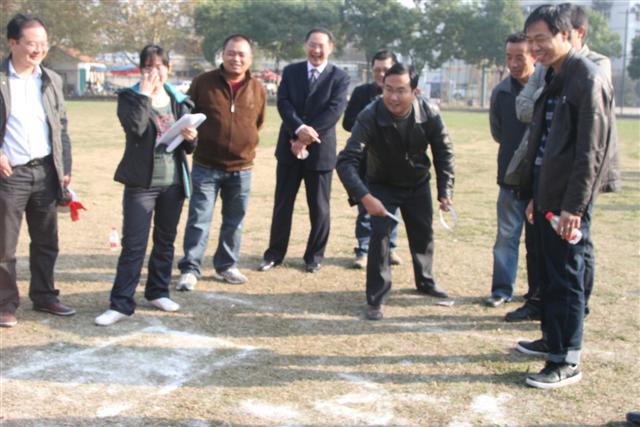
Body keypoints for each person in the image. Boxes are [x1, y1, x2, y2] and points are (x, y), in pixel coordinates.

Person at [515, 4, 618, 388]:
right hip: (547, 195)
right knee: (549, 274)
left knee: (567, 277)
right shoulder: (555, 75)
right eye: (531, 40)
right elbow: (543, 143)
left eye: (541, 38)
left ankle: (567, 358)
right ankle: (551, 340)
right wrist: (534, 196)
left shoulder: (587, 78)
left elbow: (590, 151)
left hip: (568, 202)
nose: (535, 47)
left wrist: (574, 207)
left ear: (566, 35)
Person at [336, 63, 455, 321]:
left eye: (401, 90)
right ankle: (376, 298)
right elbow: (346, 161)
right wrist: (365, 197)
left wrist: (445, 190)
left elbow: (443, 151)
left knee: (423, 234)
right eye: (388, 89)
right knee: (380, 238)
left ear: (415, 92)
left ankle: (425, 281)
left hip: (418, 182)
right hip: (382, 184)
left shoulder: (429, 112)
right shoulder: (369, 115)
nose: (392, 97)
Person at [94, 45, 198, 326]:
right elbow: (136, 129)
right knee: (134, 244)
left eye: (160, 66)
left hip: (173, 182)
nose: (155, 72)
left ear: (169, 68)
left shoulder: (179, 100)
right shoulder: (130, 97)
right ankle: (121, 303)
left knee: (165, 241)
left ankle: (158, 291)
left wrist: (191, 136)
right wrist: (144, 94)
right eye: (149, 67)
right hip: (142, 183)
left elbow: (189, 148)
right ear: (141, 70)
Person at [0, 14, 75, 328]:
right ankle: (5, 304)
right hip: (9, 176)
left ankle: (44, 296)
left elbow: (61, 126)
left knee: (46, 241)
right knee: (4, 245)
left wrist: (65, 167)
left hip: (46, 172)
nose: (38, 50)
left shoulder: (51, 79)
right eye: (31, 43)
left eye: (43, 43)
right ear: (13, 43)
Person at [176, 35, 266, 290]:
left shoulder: (257, 88)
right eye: (231, 53)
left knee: (234, 221)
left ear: (250, 59)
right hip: (206, 165)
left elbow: (258, 122)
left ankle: (226, 265)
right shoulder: (203, 82)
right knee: (199, 219)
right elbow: (188, 115)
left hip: (242, 168)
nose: (236, 58)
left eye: (242, 54)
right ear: (222, 55)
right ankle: (191, 268)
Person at [259, 28, 349, 273]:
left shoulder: (339, 77)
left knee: (319, 207)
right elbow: (284, 103)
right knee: (282, 204)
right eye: (312, 44)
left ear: (330, 48)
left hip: (321, 151)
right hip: (289, 147)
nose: (316, 50)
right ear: (305, 45)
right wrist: (298, 130)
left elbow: (334, 111)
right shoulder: (291, 71)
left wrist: (307, 137)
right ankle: (274, 254)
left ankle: (314, 256)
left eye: (321, 46)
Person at [484, 33, 538, 309]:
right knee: (506, 236)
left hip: (542, 179)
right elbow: (498, 132)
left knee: (538, 240)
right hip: (510, 177)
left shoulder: (548, 89)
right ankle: (502, 289)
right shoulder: (501, 92)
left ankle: (537, 292)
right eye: (509, 57)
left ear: (534, 56)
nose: (514, 63)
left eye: (520, 57)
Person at [342, 50, 402, 270]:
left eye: (385, 69)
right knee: (365, 207)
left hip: (393, 161)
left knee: (392, 206)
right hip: (366, 160)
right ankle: (363, 250)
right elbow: (347, 122)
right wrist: (368, 125)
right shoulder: (361, 93)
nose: (380, 74)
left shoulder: (402, 94)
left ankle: (390, 248)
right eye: (377, 69)